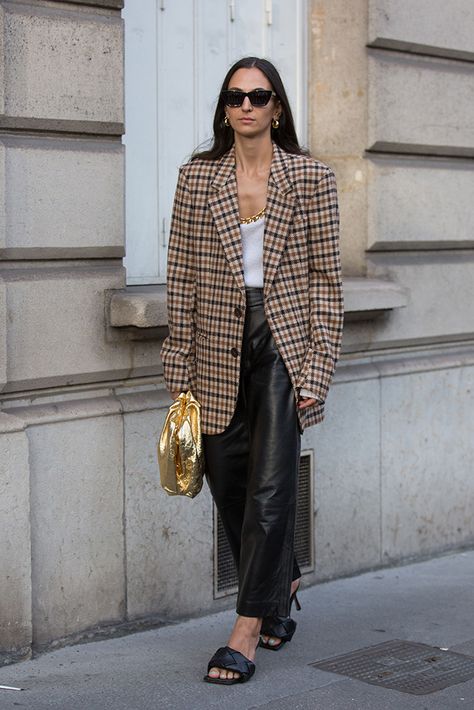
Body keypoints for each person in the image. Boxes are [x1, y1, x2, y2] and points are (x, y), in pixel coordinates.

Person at [160, 56, 344, 685]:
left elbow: (327, 281)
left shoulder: (312, 179)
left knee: (271, 487)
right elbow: (180, 276)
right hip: (216, 341)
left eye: (258, 96)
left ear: (277, 108)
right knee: (227, 475)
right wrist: (177, 363)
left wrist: (316, 368)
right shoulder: (196, 179)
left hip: (284, 344)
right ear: (225, 108)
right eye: (235, 96)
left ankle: (246, 630)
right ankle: (281, 580)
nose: (246, 106)